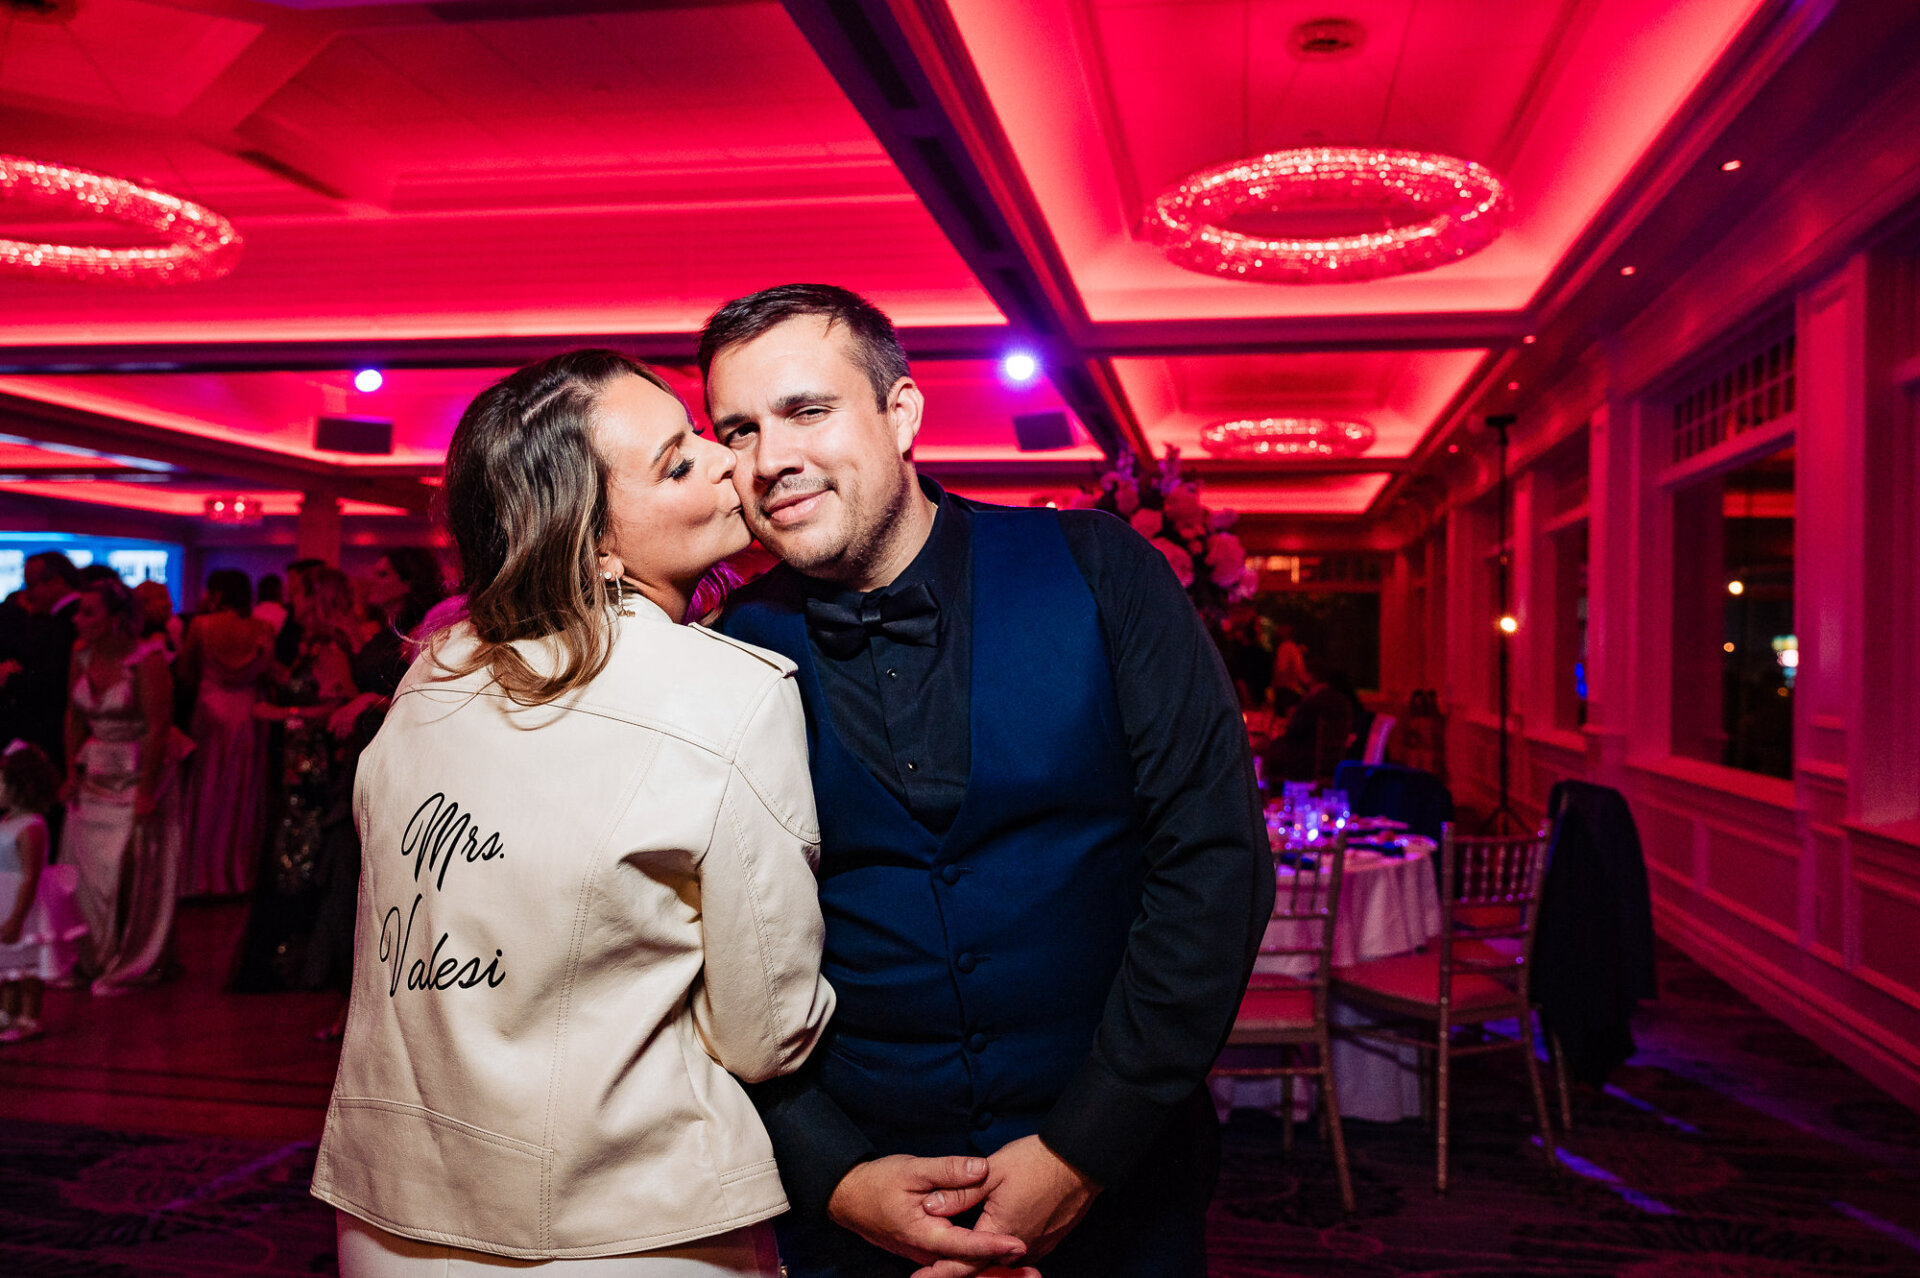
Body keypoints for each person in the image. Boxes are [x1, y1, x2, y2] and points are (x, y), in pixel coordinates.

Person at [707, 285, 1273, 1278]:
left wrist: (1082, 1151)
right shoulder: (722, 656)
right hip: (859, 1216)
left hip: (1122, 1184)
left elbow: (1213, 861)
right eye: (737, 430)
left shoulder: (1099, 571)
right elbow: (698, 963)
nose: (769, 460)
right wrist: (836, 1177)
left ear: (903, 413)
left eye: (806, 411)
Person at [311, 349, 835, 1276]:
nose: (726, 461)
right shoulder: (723, 693)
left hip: (387, 1211)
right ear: (590, 540)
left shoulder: (430, 676)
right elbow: (764, 1032)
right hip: (625, 1219)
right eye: (678, 462)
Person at [227, 568, 360, 993]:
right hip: (297, 767)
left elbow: (337, 707)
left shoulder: (330, 645)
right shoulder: (309, 644)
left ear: (315, 597)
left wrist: (283, 715)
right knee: (290, 859)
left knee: (297, 861)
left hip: (314, 771)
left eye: (297, 594)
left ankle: (298, 960)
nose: (290, 602)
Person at [61, 578, 189, 995]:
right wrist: (70, 772)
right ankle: (91, 955)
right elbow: (74, 717)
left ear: (116, 619)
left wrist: (148, 790)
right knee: (85, 870)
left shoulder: (147, 659)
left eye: (89, 612)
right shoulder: (80, 654)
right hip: (95, 773)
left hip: (139, 772)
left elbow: (157, 727)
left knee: (130, 870)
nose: (78, 620)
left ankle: (134, 957)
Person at [179, 570, 275, 896]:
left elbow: (185, 672)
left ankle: (200, 875)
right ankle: (235, 872)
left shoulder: (200, 626)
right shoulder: (262, 629)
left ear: (217, 593)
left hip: (209, 711)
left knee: (207, 790)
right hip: (247, 712)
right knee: (241, 792)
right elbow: (270, 674)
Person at [0, 742, 85, 1042]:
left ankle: (29, 1016)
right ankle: (6, 1013)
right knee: (7, 963)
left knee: (27, 963)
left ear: (21, 787)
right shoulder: (7, 821)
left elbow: (29, 876)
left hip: (25, 905)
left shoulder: (32, 826)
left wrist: (17, 917)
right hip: (3, 897)